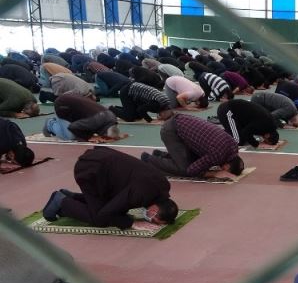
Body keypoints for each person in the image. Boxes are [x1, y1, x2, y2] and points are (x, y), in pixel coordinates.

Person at [41, 147, 178, 229]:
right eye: (153, 219)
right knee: (100, 219)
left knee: (112, 207)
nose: (150, 220)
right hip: (90, 170)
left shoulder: (164, 185)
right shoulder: (141, 194)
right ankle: (61, 201)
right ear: (154, 210)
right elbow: (106, 213)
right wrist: (130, 223)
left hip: (101, 161)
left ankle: (72, 197)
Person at [141, 113, 244, 179]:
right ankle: (148, 159)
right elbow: (191, 170)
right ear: (226, 166)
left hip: (182, 121)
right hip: (171, 131)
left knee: (194, 161)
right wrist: (215, 174)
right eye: (225, 170)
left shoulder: (233, 146)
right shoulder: (217, 155)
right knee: (184, 169)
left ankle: (160, 155)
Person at [46, 94, 121, 142]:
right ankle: (50, 124)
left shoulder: (112, 118)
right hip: (62, 105)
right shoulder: (94, 122)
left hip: (74, 105)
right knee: (70, 136)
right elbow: (72, 127)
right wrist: (88, 137)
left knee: (83, 127)